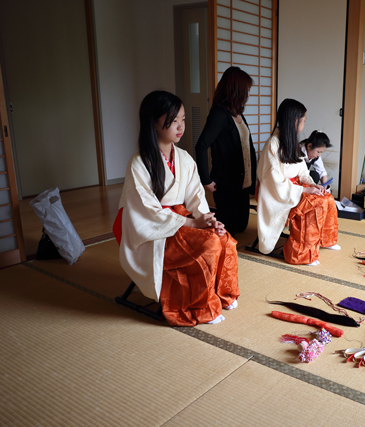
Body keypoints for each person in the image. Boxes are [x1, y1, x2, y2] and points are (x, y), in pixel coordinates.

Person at [116, 90, 239, 327]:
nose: (180, 126)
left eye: (182, 119)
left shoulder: (184, 158)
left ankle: (221, 294)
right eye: (173, 121)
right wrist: (193, 223)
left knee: (224, 238)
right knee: (209, 244)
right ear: (154, 121)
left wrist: (207, 218)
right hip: (157, 231)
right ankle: (200, 305)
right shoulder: (139, 163)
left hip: (181, 219)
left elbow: (195, 196)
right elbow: (147, 211)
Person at [256, 98, 340, 266]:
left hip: (294, 188)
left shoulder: (292, 142)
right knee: (313, 204)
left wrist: (312, 184)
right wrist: (304, 190)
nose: (304, 124)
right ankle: (303, 253)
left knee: (327, 199)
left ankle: (326, 239)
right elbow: (275, 180)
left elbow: (302, 171)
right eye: (303, 120)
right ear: (295, 121)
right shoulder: (273, 144)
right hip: (276, 193)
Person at [195, 66, 256, 236]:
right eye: (247, 90)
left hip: (243, 183)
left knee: (241, 226)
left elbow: (246, 146)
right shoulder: (219, 114)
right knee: (228, 230)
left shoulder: (238, 114)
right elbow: (201, 145)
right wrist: (205, 179)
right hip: (227, 183)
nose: (249, 94)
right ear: (237, 90)